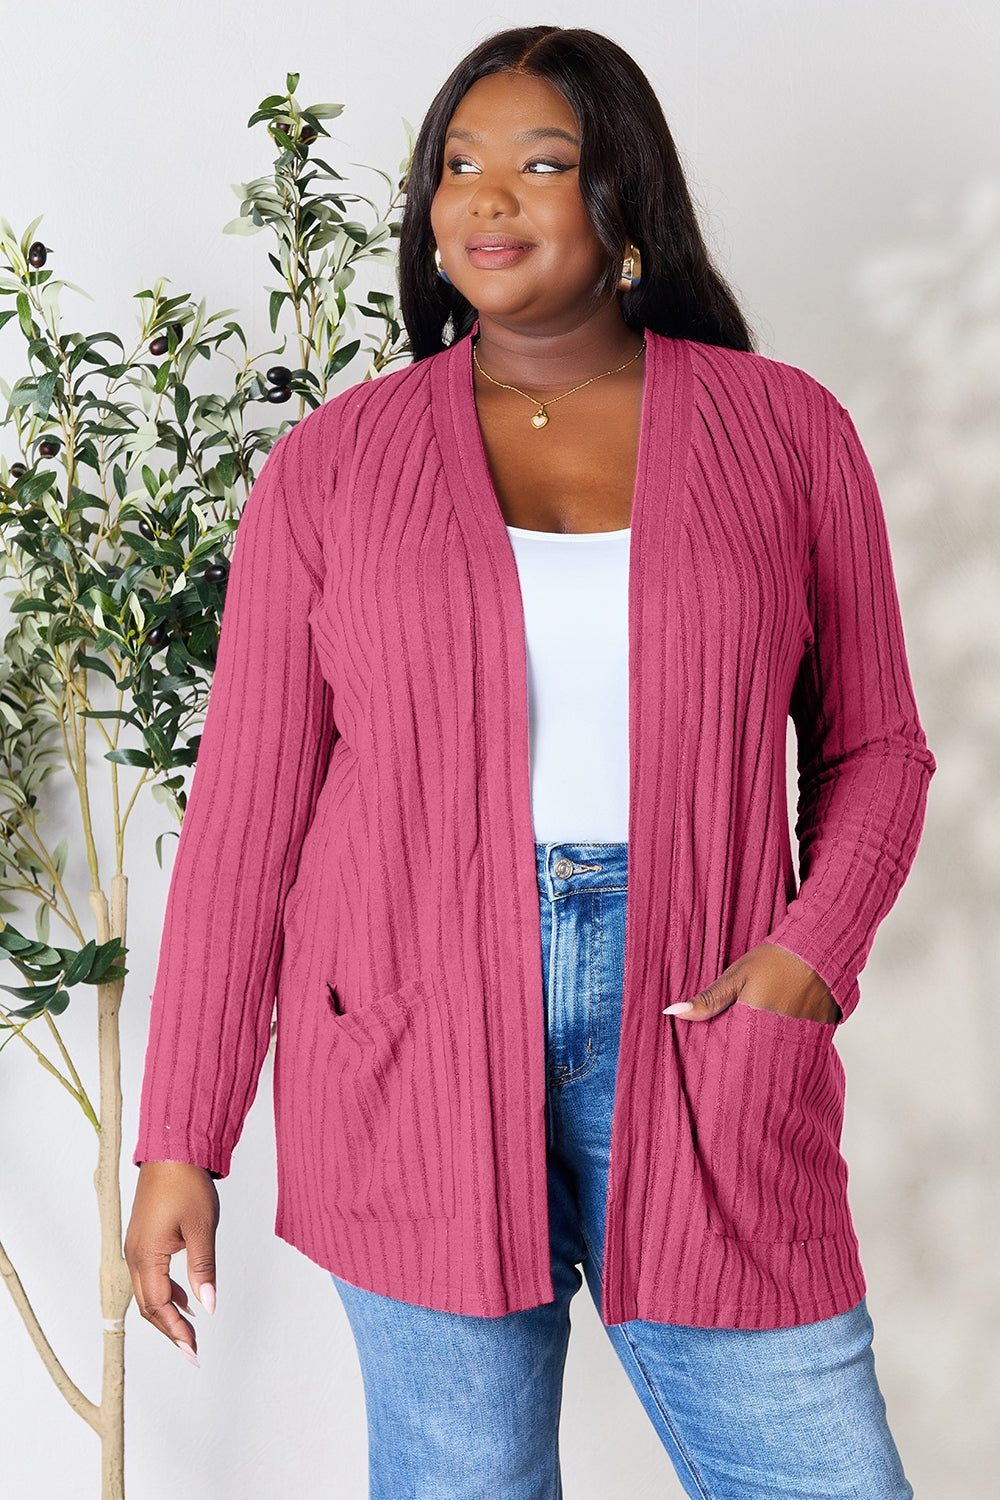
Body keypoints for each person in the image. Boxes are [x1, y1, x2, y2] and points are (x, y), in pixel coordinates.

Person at [124, 25, 936, 1500]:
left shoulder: (785, 435)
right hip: (408, 1022)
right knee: (462, 1484)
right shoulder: (335, 467)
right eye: (459, 165)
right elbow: (249, 821)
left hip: (702, 1016)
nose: (488, 199)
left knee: (823, 1473)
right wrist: (181, 1141)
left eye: (542, 164)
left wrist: (810, 954)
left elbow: (878, 744)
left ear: (625, 203)